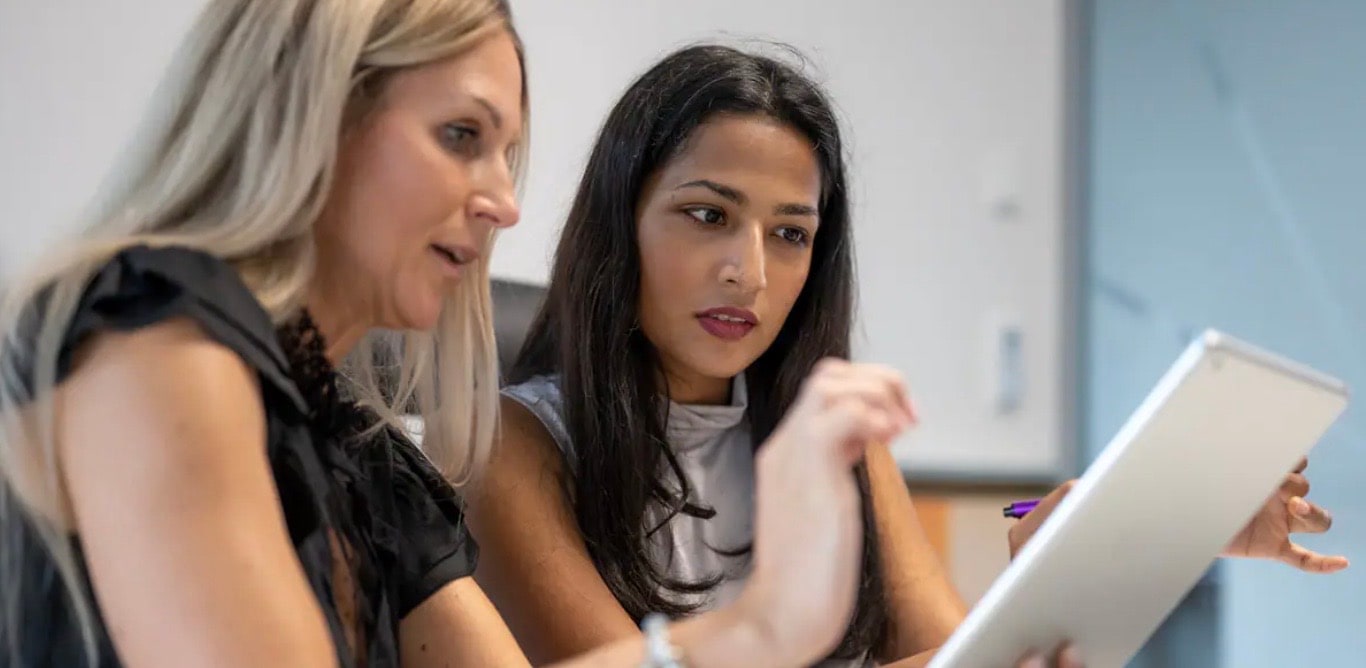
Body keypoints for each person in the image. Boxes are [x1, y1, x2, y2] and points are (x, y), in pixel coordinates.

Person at [0, 4, 926, 667]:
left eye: (506, 153)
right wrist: (756, 632)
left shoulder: (367, 461)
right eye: (459, 136)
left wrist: (759, 632)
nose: (505, 203)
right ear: (317, 117)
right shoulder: (159, 342)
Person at [465, 43, 1347, 668]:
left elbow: (948, 651)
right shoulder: (511, 446)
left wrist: (1124, 543)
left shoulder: (830, 435)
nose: (750, 271)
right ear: (620, 221)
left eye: (791, 234)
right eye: (708, 215)